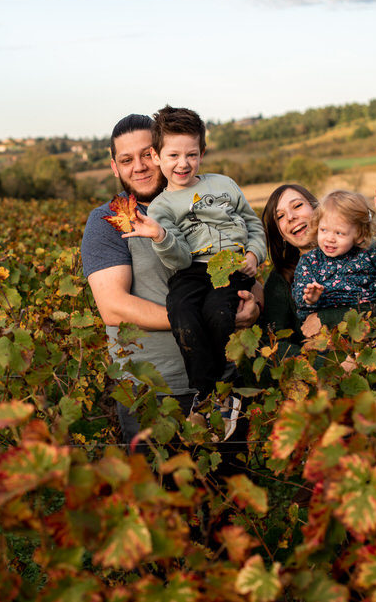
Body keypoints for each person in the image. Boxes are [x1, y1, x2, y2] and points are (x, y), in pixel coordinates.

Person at [81, 113, 260, 450]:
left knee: (226, 490)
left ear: (162, 152)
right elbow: (113, 306)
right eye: (127, 159)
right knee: (160, 495)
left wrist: (255, 304)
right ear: (114, 167)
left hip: (224, 381)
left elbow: (241, 270)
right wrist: (200, 320)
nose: (140, 166)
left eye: (147, 154)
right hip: (153, 387)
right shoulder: (108, 222)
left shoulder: (208, 202)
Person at [121, 106, 267, 414]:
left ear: (201, 152)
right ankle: (204, 391)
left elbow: (253, 224)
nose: (183, 164)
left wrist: (254, 253)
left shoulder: (224, 185)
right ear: (156, 155)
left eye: (191, 155)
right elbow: (180, 259)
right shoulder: (160, 207)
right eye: (173, 156)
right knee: (181, 310)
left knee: (217, 312)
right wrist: (160, 235)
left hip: (230, 265)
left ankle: (228, 387)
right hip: (191, 270)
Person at [260, 184, 376, 357]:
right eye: (280, 216)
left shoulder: (367, 252)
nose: (291, 217)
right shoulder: (282, 279)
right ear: (279, 232)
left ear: (317, 210)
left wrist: (327, 318)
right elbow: (273, 346)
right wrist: (335, 365)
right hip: (329, 373)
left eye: (297, 206)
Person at [293, 188, 376, 321]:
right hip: (325, 331)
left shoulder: (367, 254)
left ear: (359, 235)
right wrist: (309, 298)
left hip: (365, 324)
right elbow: (300, 292)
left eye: (339, 233)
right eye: (324, 230)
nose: (330, 238)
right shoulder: (310, 261)